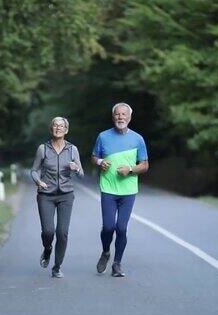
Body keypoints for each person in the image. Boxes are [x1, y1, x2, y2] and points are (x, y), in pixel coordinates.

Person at [92, 103, 148, 277]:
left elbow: (145, 165)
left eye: (124, 114)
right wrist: (101, 162)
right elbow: (94, 157)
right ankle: (106, 251)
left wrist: (130, 170)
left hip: (128, 190)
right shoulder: (103, 136)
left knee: (121, 228)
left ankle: (117, 264)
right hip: (108, 188)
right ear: (113, 117)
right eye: (117, 114)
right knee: (108, 227)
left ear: (129, 118)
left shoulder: (138, 139)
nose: (120, 117)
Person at [30, 117, 84, 278]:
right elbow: (33, 170)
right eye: (55, 125)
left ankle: (57, 267)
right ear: (51, 129)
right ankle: (47, 249)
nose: (58, 128)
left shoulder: (73, 149)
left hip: (66, 195)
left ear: (66, 130)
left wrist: (76, 169)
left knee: (62, 233)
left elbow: (81, 175)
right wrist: (38, 181)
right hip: (45, 195)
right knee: (48, 231)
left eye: (61, 126)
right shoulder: (43, 149)